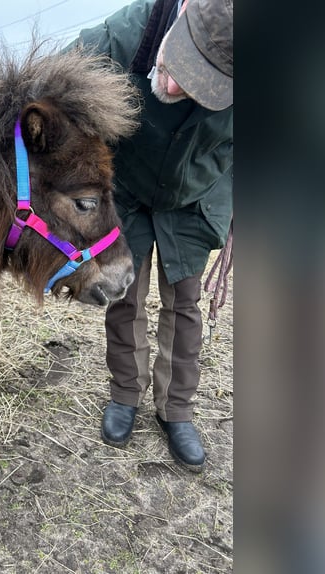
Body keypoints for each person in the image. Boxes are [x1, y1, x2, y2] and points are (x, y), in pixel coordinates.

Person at [67, 0, 233, 472]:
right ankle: (125, 394)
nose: (177, 86)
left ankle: (175, 409)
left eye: (207, 80)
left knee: (184, 303)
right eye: (183, 63)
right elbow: (47, 87)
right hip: (129, 188)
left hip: (197, 191)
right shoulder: (130, 31)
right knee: (125, 296)